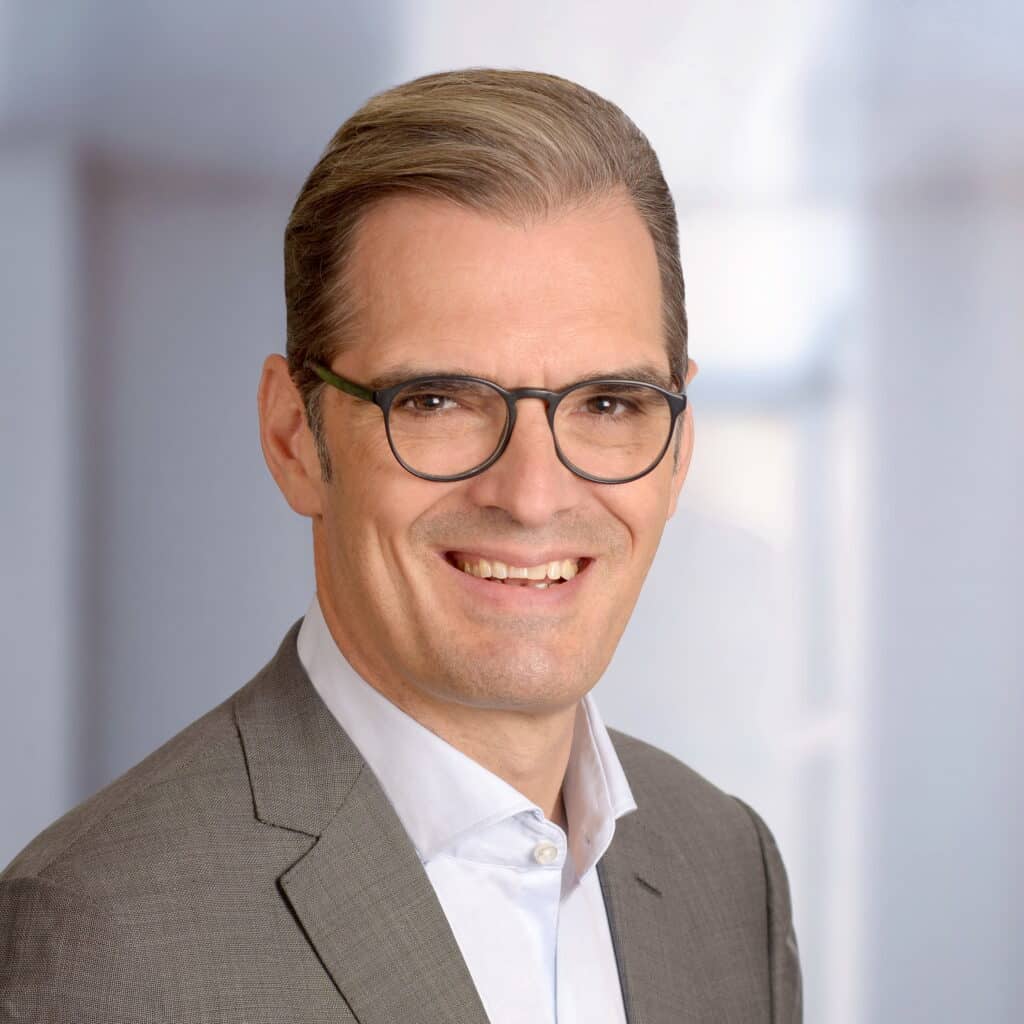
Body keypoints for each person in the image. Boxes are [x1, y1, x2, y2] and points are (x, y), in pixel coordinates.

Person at [0, 69, 801, 1023]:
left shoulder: (726, 868)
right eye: (436, 401)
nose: (532, 495)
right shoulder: (105, 936)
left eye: (608, 404)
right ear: (294, 439)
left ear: (678, 448)